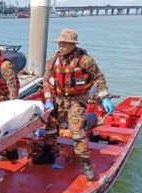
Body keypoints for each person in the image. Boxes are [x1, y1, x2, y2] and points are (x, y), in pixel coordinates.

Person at [38, 28, 114, 180]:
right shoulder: (53, 59)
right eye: (60, 43)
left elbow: (99, 78)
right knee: (50, 126)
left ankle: (86, 163)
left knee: (76, 130)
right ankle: (49, 153)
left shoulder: (85, 60)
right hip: (58, 99)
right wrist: (47, 98)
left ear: (73, 45)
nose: (61, 46)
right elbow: (45, 79)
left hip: (76, 100)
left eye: (65, 43)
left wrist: (105, 96)